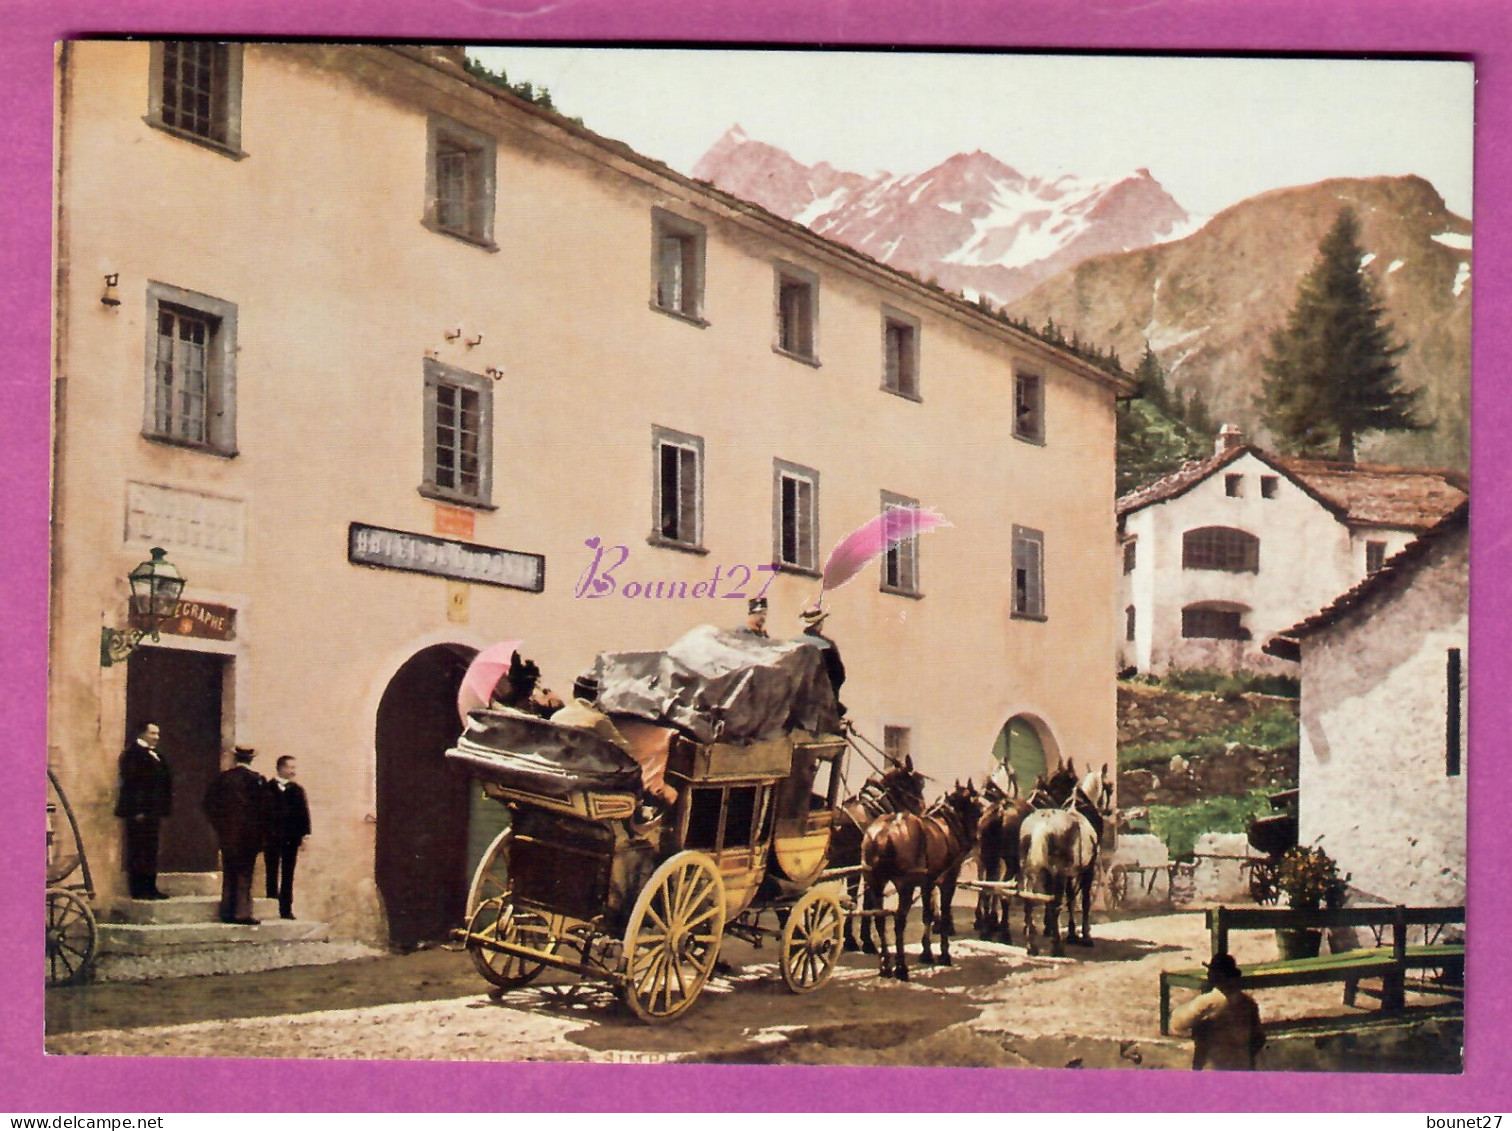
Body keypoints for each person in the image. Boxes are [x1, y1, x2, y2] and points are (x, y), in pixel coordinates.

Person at [203, 746, 268, 925]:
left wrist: (220, 826)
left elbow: (209, 804)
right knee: (245, 873)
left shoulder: (223, 779)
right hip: (250, 835)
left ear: (235, 758)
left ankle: (227, 910)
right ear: (251, 760)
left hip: (228, 834)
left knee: (230, 871)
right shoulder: (258, 780)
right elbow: (266, 810)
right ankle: (242, 912)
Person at [1169, 952, 1266, 1070]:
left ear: (1216, 976)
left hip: (1213, 1070)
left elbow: (1177, 1024)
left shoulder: (1207, 1002)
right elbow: (1259, 1039)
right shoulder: (1248, 1003)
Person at [115, 721, 173, 900]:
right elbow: (132, 785)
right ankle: (139, 889)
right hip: (140, 813)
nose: (156, 737)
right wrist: (137, 810)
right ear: (142, 734)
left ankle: (150, 887)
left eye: (158, 734)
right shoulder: (132, 755)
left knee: (150, 849)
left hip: (152, 811)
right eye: (153, 733)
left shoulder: (156, 755)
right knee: (138, 849)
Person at [263, 755, 311, 921]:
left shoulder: (297, 790)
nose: (293, 772)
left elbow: (304, 815)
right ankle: (270, 907)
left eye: (294, 768)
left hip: (291, 838)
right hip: (272, 838)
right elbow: (261, 814)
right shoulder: (267, 789)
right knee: (271, 872)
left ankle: (286, 909)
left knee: (288, 873)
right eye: (290, 768)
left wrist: (304, 835)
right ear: (280, 769)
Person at [797, 603, 846, 716]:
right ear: (819, 624)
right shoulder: (827, 645)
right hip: (821, 700)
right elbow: (838, 675)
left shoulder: (793, 643)